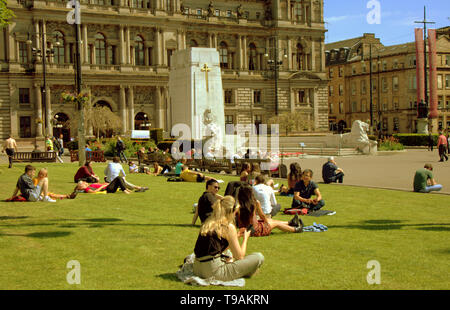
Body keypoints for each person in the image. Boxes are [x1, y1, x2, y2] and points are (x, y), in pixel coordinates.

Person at [192, 196, 265, 282]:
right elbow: (240, 256)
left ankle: (243, 269)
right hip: (213, 272)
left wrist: (236, 236)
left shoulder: (208, 223)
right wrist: (245, 238)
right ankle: (246, 271)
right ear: (231, 212)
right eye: (236, 213)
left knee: (228, 253)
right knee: (258, 257)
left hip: (197, 269)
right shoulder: (228, 227)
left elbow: (215, 248)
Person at [236, 184, 303, 237]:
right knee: (276, 223)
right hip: (255, 230)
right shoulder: (255, 203)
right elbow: (262, 215)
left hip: (246, 229)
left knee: (270, 221)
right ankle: (295, 229)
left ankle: (290, 222)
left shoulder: (239, 205)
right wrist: (266, 223)